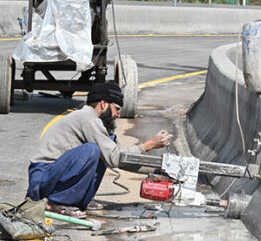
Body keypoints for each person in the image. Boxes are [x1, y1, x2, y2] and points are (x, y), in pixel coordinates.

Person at [26, 82, 172, 218]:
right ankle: (54, 203)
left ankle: (79, 200)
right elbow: (115, 158)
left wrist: (158, 170)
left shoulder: (95, 123)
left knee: (103, 150)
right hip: (43, 177)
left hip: (53, 175)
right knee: (92, 150)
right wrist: (149, 145)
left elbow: (120, 157)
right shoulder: (88, 119)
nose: (118, 115)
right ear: (103, 104)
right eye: (117, 109)